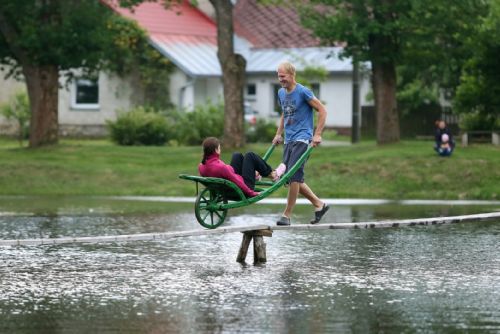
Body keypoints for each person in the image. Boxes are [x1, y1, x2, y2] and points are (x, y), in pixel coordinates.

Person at [272, 61, 329, 225]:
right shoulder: (281, 93)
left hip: (303, 139)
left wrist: (317, 134)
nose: (280, 80)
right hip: (289, 140)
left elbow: (322, 110)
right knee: (290, 178)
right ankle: (320, 205)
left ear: (291, 75)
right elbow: (285, 113)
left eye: (282, 76)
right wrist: (278, 134)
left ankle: (287, 215)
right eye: (278, 77)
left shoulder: (303, 92)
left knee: (293, 176)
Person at [198, 137, 279, 198]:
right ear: (216, 150)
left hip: (226, 190)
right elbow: (237, 181)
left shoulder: (201, 167)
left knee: (237, 155)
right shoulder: (222, 168)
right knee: (250, 155)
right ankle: (271, 174)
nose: (220, 150)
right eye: (219, 148)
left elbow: (229, 174)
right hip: (241, 190)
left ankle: (255, 174)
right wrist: (252, 193)